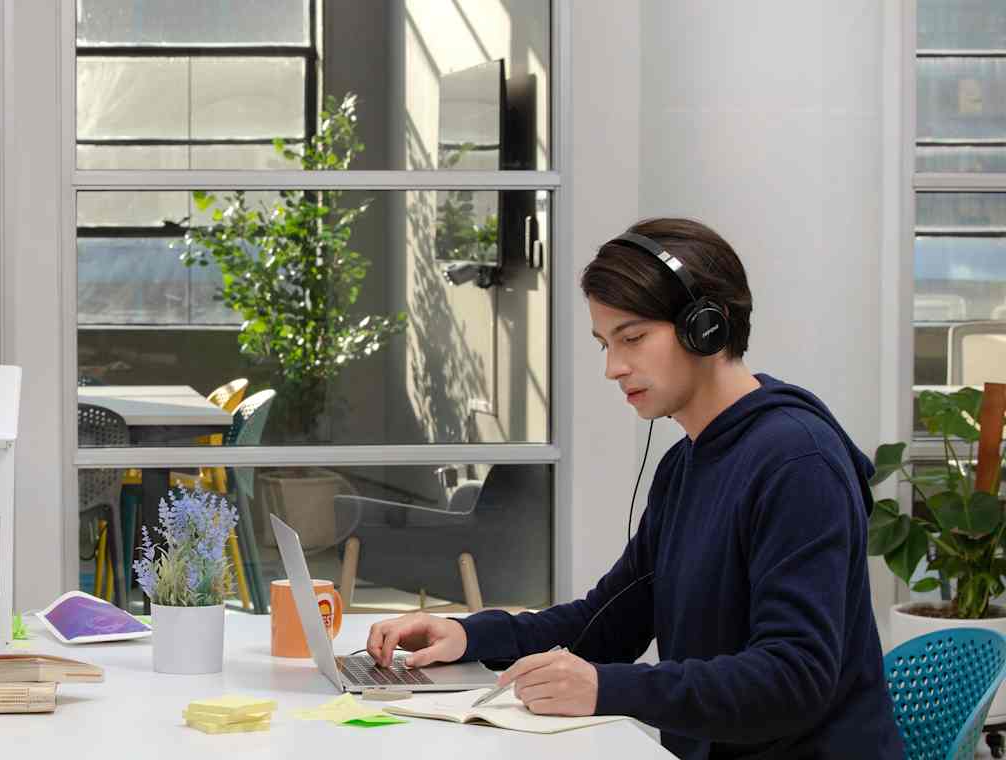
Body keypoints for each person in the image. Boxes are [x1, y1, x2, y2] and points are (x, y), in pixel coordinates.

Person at [365, 218, 903, 757]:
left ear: (706, 328)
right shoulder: (685, 466)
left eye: (633, 338)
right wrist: (468, 636)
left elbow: (794, 677)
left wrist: (605, 689)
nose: (613, 368)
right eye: (605, 343)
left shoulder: (798, 464)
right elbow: (609, 621)